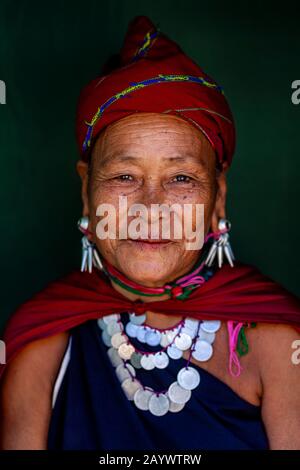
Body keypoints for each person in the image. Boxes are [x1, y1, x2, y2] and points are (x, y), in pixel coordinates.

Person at [1, 15, 300, 451]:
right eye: (124, 176)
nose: (151, 209)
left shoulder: (280, 346)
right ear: (87, 191)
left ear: (218, 198)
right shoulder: (43, 344)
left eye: (181, 179)